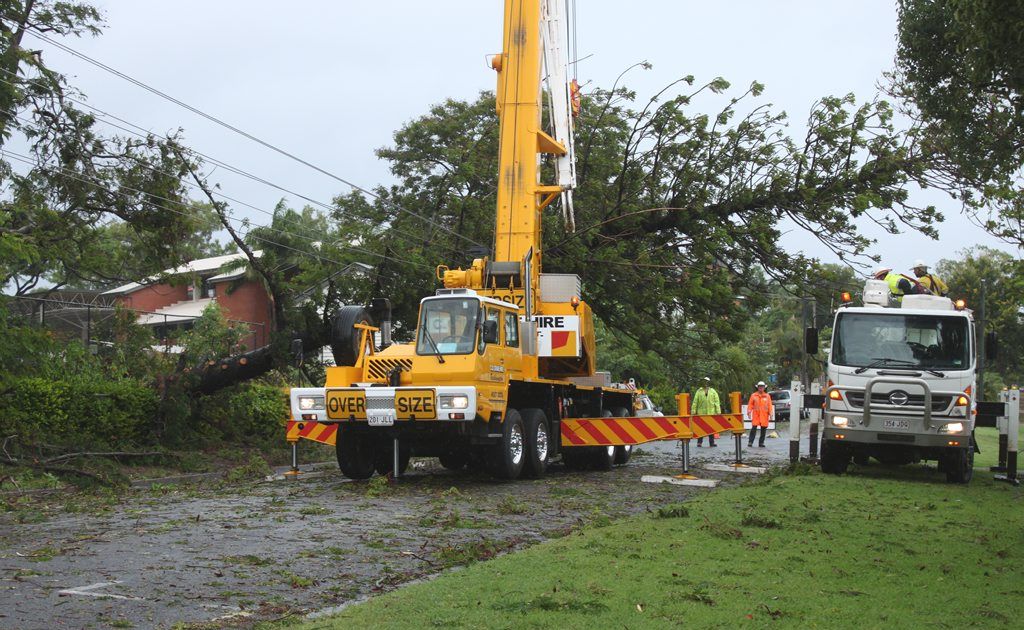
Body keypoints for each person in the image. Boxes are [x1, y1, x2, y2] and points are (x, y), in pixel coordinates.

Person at [693, 377, 721, 447]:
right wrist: (693, 411)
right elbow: (695, 402)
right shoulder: (699, 391)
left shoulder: (713, 391)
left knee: (711, 429)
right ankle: (699, 442)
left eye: (707, 382)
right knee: (700, 428)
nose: (705, 383)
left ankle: (711, 442)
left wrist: (718, 411)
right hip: (701, 413)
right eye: (704, 381)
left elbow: (717, 402)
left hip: (711, 413)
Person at [746, 381, 774, 448]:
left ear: (764, 388)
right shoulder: (753, 395)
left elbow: (770, 406)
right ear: (757, 387)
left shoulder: (767, 396)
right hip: (756, 416)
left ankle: (761, 443)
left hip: (764, 416)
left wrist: (771, 414)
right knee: (753, 429)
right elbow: (750, 405)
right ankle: (750, 442)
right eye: (759, 386)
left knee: (763, 430)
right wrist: (749, 412)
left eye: (762, 386)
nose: (761, 388)